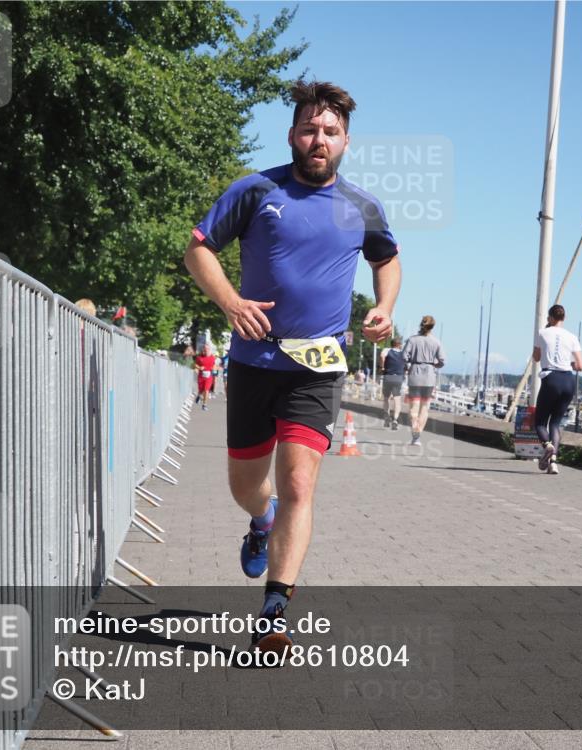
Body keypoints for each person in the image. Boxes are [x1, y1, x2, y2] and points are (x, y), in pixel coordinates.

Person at [184, 80, 401, 653]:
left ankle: (274, 612)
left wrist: (384, 306)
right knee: (245, 485)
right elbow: (198, 248)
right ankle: (262, 520)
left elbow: (387, 259)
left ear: (346, 142)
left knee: (299, 482)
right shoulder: (256, 190)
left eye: (330, 131)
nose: (319, 139)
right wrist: (231, 303)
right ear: (292, 135)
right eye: (309, 129)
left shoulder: (361, 207)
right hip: (254, 360)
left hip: (318, 365)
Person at [531, 304, 582, 475]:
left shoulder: (542, 333)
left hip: (551, 379)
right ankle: (553, 463)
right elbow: (580, 366)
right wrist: (568, 363)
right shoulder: (572, 336)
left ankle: (547, 446)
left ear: (550, 318)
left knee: (540, 423)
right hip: (568, 381)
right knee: (555, 423)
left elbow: (536, 357)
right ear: (564, 318)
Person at [403, 316, 445, 446]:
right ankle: (417, 435)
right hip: (429, 376)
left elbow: (404, 356)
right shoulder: (436, 342)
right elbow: (442, 360)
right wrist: (434, 365)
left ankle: (414, 427)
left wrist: (408, 365)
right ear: (432, 327)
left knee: (414, 406)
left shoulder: (412, 340)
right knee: (425, 407)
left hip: (415, 374)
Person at [380, 337, 405, 429]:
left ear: (392, 344)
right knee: (397, 400)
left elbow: (382, 356)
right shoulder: (403, 353)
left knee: (386, 398)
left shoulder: (387, 350)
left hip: (388, 376)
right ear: (399, 345)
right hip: (398, 378)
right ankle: (395, 419)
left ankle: (387, 418)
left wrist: (382, 366)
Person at [193, 344, 217, 410]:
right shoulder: (199, 357)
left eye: (207, 349)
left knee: (206, 390)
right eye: (205, 349)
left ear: (209, 350)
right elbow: (195, 365)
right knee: (201, 390)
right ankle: (199, 395)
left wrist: (214, 368)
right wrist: (199, 367)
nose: (206, 350)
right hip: (201, 376)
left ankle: (204, 405)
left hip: (209, 377)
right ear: (203, 349)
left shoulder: (212, 357)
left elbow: (214, 365)